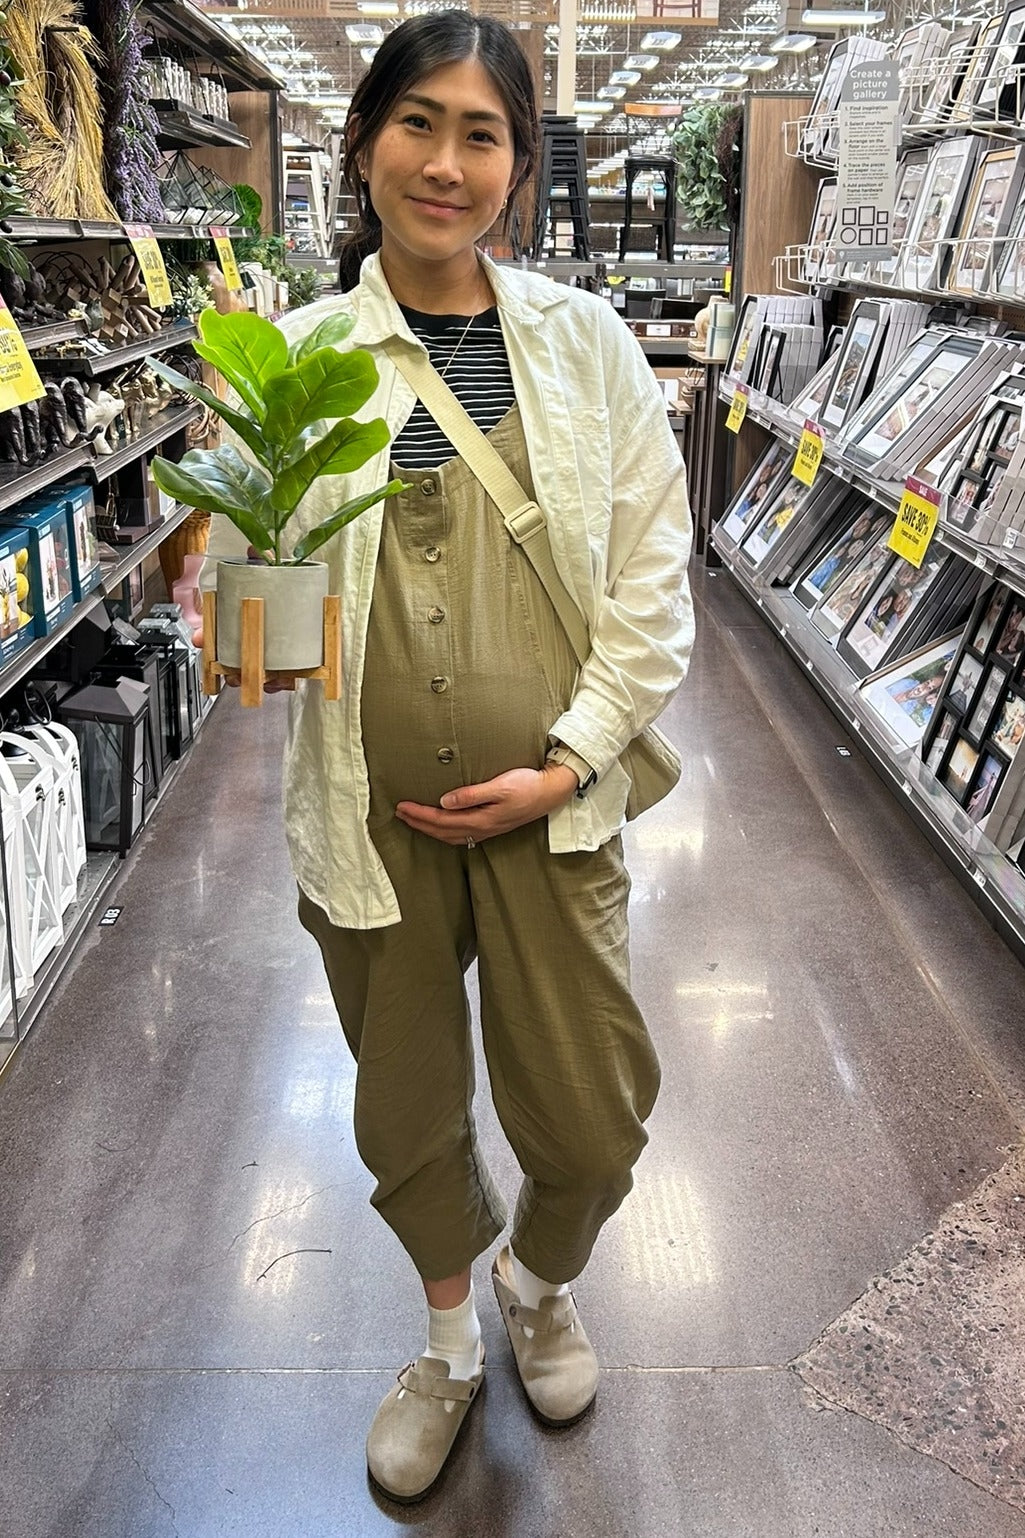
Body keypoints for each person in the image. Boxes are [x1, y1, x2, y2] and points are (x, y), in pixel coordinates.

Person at [206, 8, 693, 1505]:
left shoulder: (582, 346)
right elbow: (246, 600)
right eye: (416, 122)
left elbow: (652, 582)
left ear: (519, 167)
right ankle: (445, 1342)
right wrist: (240, 607)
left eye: (482, 134)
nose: (445, 162)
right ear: (363, 145)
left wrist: (571, 758)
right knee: (407, 1109)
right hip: (369, 818)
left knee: (594, 1113)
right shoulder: (295, 354)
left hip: (555, 805)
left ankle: (538, 1283)